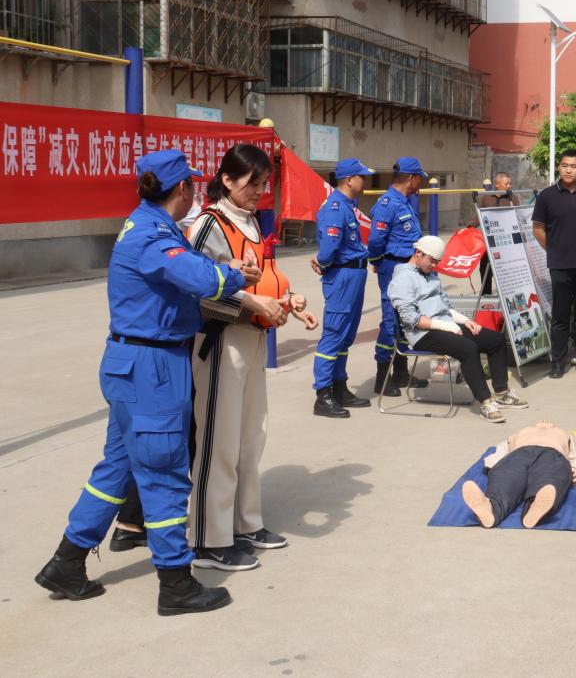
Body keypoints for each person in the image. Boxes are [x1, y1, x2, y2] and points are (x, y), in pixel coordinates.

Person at [34, 150, 257, 614]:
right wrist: (234, 273)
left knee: (117, 470)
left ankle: (67, 561)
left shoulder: (149, 225)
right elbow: (200, 278)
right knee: (165, 473)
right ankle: (176, 583)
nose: (195, 192)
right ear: (183, 189)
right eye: (192, 185)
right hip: (151, 367)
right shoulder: (154, 235)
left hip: (134, 364)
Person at [187, 144, 296, 571]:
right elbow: (194, 290)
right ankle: (208, 539)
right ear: (227, 180)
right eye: (253, 183)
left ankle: (246, 523)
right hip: (220, 341)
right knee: (219, 441)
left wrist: (285, 301)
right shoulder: (208, 224)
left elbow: (261, 280)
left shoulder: (250, 221)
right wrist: (250, 306)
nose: (259, 192)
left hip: (253, 337)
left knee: (252, 436)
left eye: (264, 184)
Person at [389, 236, 528, 422]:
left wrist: (465, 321)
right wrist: (446, 326)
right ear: (418, 253)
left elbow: (445, 308)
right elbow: (410, 318)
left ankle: (502, 392)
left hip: (445, 325)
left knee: (495, 340)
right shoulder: (403, 278)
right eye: (432, 261)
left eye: (437, 262)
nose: (434, 265)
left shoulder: (430, 275)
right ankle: (486, 402)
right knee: (468, 348)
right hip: (423, 333)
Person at [312, 158, 376, 418]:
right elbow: (329, 248)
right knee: (334, 333)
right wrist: (323, 263)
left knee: (346, 336)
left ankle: (339, 387)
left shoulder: (348, 205)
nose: (365, 180)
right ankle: (323, 394)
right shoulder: (335, 207)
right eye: (362, 176)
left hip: (354, 273)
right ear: (349, 180)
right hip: (342, 275)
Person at [532, 149, 576, 379]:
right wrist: (554, 249)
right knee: (560, 315)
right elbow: (538, 229)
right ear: (559, 167)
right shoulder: (546, 196)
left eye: (573, 166)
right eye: (564, 165)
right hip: (560, 264)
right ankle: (558, 363)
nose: (568, 170)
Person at [367, 157, 432, 396]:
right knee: (390, 320)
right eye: (419, 179)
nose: (420, 183)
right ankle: (382, 378)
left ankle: (401, 373)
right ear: (410, 178)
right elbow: (375, 240)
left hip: (409, 269)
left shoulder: (404, 202)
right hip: (393, 268)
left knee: (406, 319)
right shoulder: (388, 203)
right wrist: (377, 261)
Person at [461, 422, 576, 528]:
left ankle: (536, 506)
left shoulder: (567, 434)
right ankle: (490, 508)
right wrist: (493, 464)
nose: (544, 422)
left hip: (552, 454)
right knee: (506, 478)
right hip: (518, 453)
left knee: (550, 478)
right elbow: (502, 448)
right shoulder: (518, 434)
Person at [477, 172, 520, 295]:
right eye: (506, 184)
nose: (509, 186)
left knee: (507, 270)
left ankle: (509, 296)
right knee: (485, 269)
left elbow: (518, 215)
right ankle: (486, 296)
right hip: (489, 241)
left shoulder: (512, 198)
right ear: (497, 185)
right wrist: (469, 228)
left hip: (507, 242)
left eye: (510, 183)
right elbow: (478, 216)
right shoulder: (486, 198)